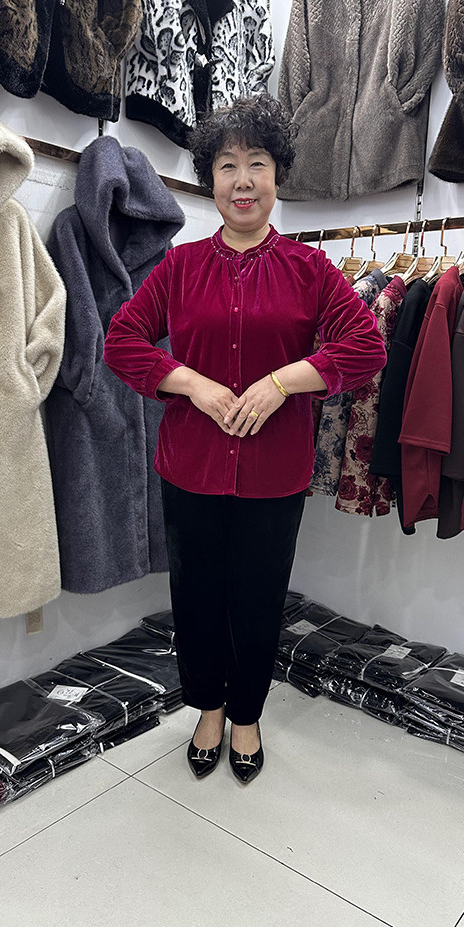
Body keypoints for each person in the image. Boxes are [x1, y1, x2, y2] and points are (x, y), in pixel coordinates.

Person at [103, 94, 387, 783]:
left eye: (257, 163)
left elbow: (367, 346)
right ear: (211, 178)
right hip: (190, 466)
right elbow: (121, 341)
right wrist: (191, 384)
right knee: (197, 594)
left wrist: (285, 381)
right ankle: (206, 707)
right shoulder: (178, 268)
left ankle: (248, 714)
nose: (243, 180)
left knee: (258, 598)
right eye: (227, 165)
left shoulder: (311, 270)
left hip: (274, 470)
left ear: (277, 174)